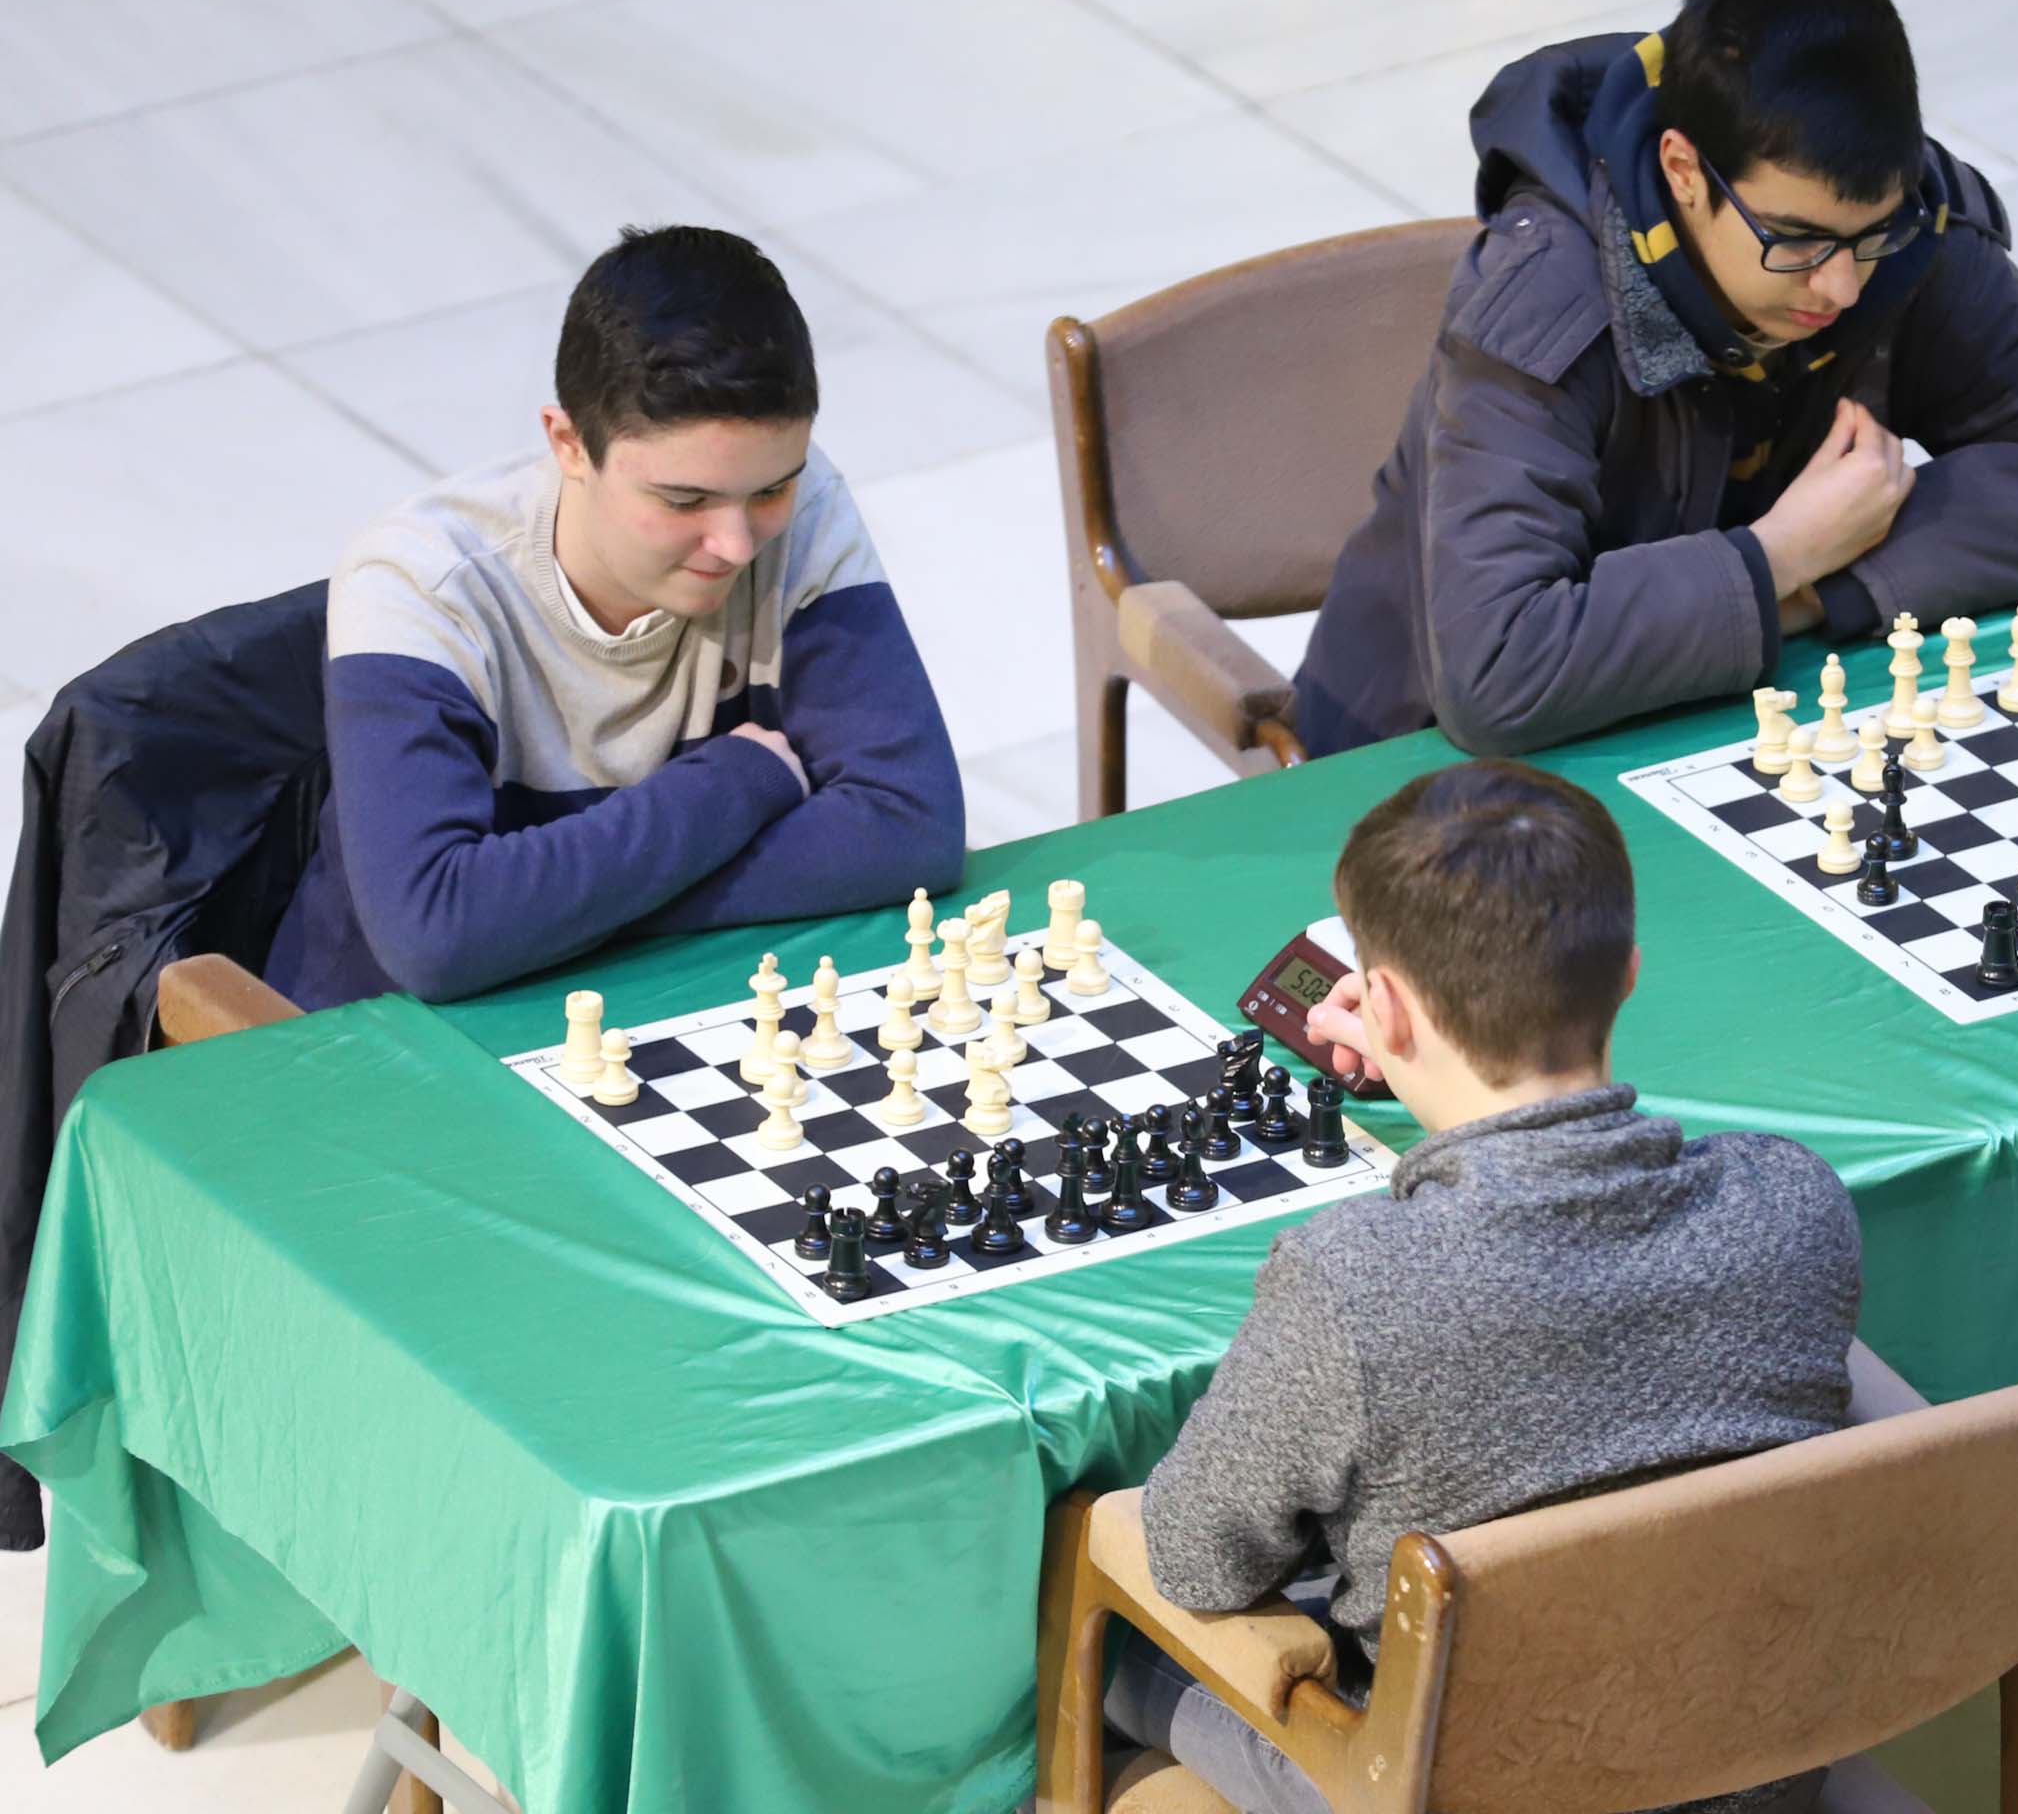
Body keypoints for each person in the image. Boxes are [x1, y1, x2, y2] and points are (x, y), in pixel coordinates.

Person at [1106, 759, 1864, 1814]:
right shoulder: (1796, 1204)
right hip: (1754, 1769)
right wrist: (1421, 1055)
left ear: (1387, 1009)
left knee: (1105, 1646)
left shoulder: (1352, 1280)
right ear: (1631, 972)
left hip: (1447, 1786)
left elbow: (1193, 1558)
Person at [1293, 0, 2018, 758]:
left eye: (1869, 234)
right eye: (1796, 240)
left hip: (1717, 721)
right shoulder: (1542, 304)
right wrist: (1773, 558)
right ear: (1684, 171)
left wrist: (1808, 585)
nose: (1842, 287)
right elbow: (1497, 671)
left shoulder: (1907, 237)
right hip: (1411, 770)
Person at [265, 226, 963, 1008]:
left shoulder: (803, 503)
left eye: (770, 491)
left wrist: (546, 908)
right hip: (379, 1048)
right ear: (568, 443)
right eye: (683, 501)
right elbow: (435, 935)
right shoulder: (419, 579)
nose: (735, 543)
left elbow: (911, 826)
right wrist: (738, 782)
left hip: (642, 1007)